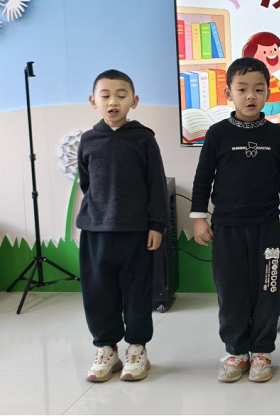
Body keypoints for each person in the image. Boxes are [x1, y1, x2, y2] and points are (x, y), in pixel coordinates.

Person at [190, 57, 280, 383]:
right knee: (231, 290)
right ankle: (236, 351)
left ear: (268, 94)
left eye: (258, 89)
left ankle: (262, 352)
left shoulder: (275, 134)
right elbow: (203, 177)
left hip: (267, 228)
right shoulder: (217, 134)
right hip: (227, 228)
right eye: (242, 89)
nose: (251, 96)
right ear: (228, 94)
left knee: (268, 290)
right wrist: (199, 217)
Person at [77, 69, 168, 382]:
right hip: (96, 231)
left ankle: (137, 349)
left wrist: (156, 224)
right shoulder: (88, 140)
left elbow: (156, 184)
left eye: (121, 95)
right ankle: (106, 349)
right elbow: (87, 184)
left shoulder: (144, 139)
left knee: (137, 292)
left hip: (136, 232)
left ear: (134, 101)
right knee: (98, 293)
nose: (113, 102)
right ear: (94, 102)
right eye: (105, 96)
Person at [241, 32, 280, 124]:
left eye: (275, 49)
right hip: (264, 101)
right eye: (264, 52)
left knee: (275, 112)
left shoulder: (273, 78)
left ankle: (274, 123)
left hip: (276, 99)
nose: (272, 53)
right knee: (265, 112)